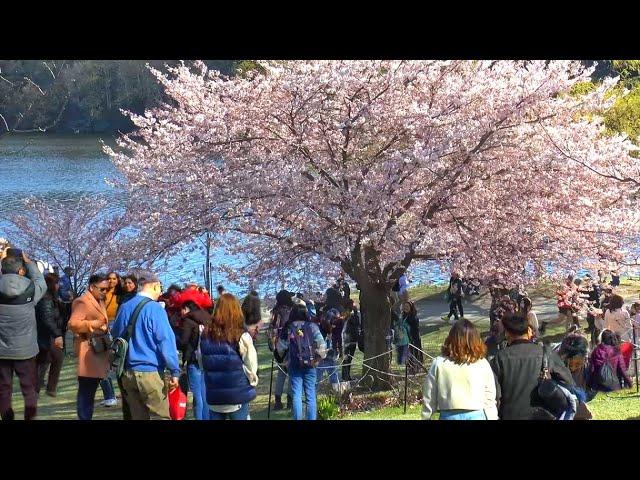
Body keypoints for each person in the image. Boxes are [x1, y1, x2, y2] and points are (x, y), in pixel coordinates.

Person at [111, 271, 180, 420]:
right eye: (160, 287)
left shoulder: (124, 306)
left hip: (128, 372)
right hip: (151, 372)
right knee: (160, 416)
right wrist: (174, 371)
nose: (161, 291)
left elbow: (115, 334)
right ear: (154, 286)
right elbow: (165, 341)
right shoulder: (155, 309)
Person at [490, 314, 575, 420]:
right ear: (528, 331)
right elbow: (568, 381)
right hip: (544, 415)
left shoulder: (499, 358)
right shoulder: (546, 353)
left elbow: (494, 395)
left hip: (510, 415)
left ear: (507, 334)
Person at [0, 251, 47, 420]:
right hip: (26, 351)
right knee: (29, 389)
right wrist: (29, 263)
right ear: (21, 271)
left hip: (2, 351)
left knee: (4, 389)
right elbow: (41, 281)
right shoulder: (31, 288)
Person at [422, 319, 497, 420]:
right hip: (477, 414)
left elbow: (429, 395)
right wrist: (492, 417)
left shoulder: (439, 363)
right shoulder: (482, 364)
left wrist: (426, 416)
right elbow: (489, 396)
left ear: (451, 338)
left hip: (449, 414)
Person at [201, 293, 258, 420]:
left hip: (214, 394)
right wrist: (252, 381)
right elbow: (251, 365)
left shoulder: (205, 335)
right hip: (237, 394)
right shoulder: (241, 335)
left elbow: (202, 363)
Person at [67, 273, 111, 420]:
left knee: (90, 391)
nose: (105, 292)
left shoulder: (99, 300)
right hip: (88, 351)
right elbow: (73, 324)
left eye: (107, 289)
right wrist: (92, 325)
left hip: (99, 349)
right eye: (102, 289)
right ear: (92, 287)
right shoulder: (82, 302)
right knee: (86, 391)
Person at [277, 304, 327, 420]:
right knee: (310, 394)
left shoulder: (288, 327)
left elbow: (280, 347)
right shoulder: (312, 326)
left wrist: (285, 360)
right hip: (310, 364)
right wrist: (317, 359)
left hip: (294, 364)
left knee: (296, 395)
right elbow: (322, 345)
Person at [177, 300, 210, 420]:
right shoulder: (207, 318)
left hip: (194, 359)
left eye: (181, 309)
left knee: (197, 396)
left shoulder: (188, 321)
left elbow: (183, 341)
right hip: (206, 360)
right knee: (205, 395)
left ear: (186, 309)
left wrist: (175, 338)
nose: (181, 312)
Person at [34, 272, 64, 397]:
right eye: (57, 283)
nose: (59, 286)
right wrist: (57, 334)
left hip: (47, 334)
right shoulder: (46, 299)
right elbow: (47, 319)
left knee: (46, 360)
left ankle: (43, 388)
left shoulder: (51, 297)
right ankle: (47, 388)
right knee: (52, 358)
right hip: (47, 335)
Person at [268, 289, 294, 410]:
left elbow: (272, 329)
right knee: (291, 373)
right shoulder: (292, 310)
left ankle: (278, 400)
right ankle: (290, 400)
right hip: (291, 343)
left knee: (281, 373)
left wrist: (272, 345)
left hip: (278, 345)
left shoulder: (275, 311)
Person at [98, 271, 121, 408]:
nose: (111, 281)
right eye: (109, 279)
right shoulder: (102, 293)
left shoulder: (122, 294)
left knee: (119, 361)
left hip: (118, 325)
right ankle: (109, 396)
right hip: (103, 327)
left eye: (114, 279)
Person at [602, 294, 633, 368]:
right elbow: (629, 327)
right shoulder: (624, 312)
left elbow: (606, 326)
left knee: (614, 359)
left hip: (612, 338)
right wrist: (630, 337)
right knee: (625, 357)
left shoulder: (607, 312)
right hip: (624, 337)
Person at [341, 301, 361, 381]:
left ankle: (347, 375)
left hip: (353, 339)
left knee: (350, 359)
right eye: (353, 304)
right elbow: (354, 322)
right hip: (346, 340)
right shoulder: (346, 314)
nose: (355, 305)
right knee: (346, 359)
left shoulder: (354, 314)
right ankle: (345, 376)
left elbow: (357, 324)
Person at [402, 301, 423, 373]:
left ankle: (415, 368)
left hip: (413, 339)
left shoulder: (414, 317)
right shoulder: (403, 316)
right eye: (404, 307)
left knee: (414, 354)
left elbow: (415, 330)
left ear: (411, 308)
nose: (405, 308)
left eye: (407, 307)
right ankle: (410, 368)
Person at [58, 266, 75, 351]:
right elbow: (62, 292)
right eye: (72, 271)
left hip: (67, 304)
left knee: (65, 326)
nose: (73, 273)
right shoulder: (63, 279)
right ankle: (63, 347)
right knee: (63, 326)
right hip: (64, 304)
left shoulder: (67, 279)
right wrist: (69, 295)